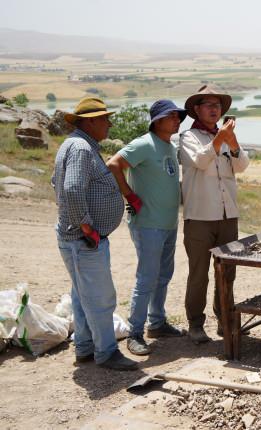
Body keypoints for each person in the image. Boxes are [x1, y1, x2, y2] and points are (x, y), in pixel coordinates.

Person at [53, 97, 138, 370]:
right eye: (104, 119)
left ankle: (85, 348)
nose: (109, 124)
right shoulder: (80, 147)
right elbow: (72, 189)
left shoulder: (76, 144)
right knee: (100, 298)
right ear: (90, 121)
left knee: (82, 295)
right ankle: (106, 353)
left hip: (78, 238)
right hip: (84, 240)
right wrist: (87, 226)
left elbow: (57, 182)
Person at [106, 100, 187, 356]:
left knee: (163, 276)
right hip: (148, 224)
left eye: (177, 116)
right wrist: (129, 196)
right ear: (157, 121)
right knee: (147, 279)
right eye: (170, 116)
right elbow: (113, 164)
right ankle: (135, 333)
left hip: (168, 223)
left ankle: (157, 322)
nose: (176, 120)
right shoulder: (143, 143)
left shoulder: (169, 146)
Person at [179, 85, 249, 344]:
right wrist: (220, 138)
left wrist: (233, 143)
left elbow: (242, 166)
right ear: (197, 109)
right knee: (199, 273)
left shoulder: (225, 138)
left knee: (227, 272)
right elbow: (199, 160)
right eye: (208, 104)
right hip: (199, 217)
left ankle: (225, 319)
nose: (214, 109)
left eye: (217, 105)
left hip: (227, 214)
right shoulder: (189, 137)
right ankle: (195, 323)